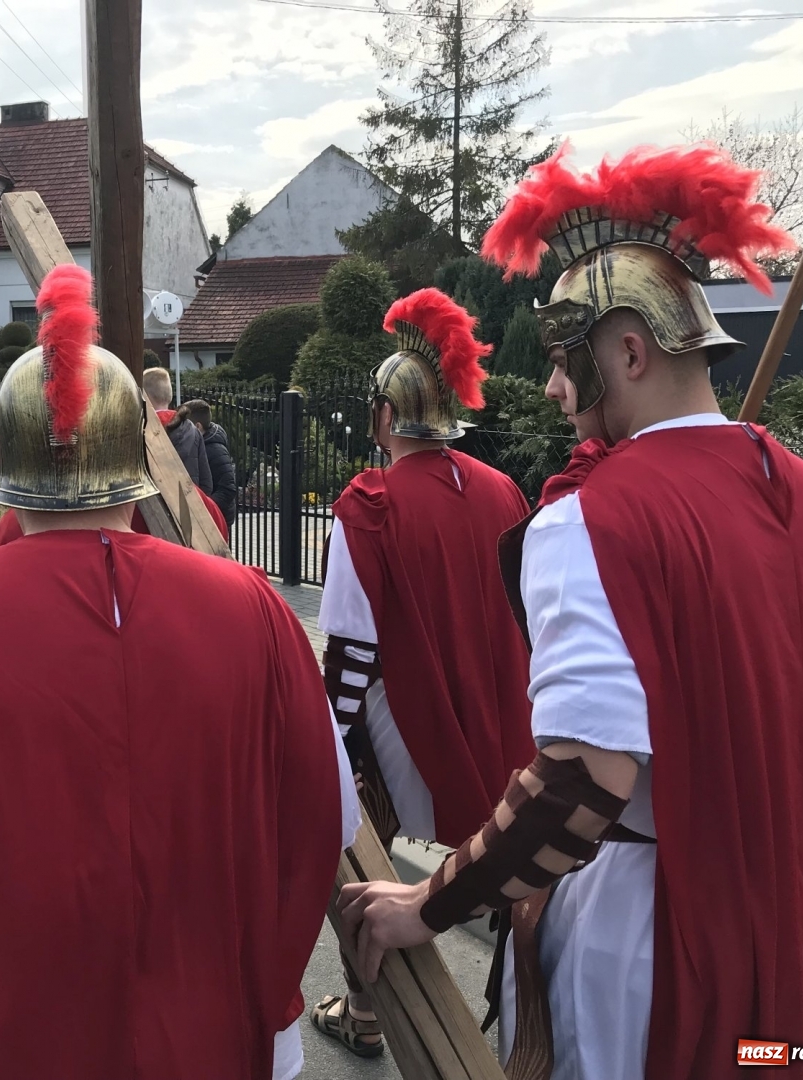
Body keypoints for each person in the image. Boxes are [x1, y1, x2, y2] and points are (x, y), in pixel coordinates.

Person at [339, 144, 803, 1080]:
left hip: (651, 942)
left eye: (562, 360)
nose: (551, 388)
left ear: (627, 351)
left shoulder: (593, 517)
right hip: (801, 928)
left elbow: (583, 783)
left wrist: (426, 906)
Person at [0, 264, 352, 1080]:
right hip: (211, 1029)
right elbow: (329, 816)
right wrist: (265, 980)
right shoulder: (256, 611)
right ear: (143, 449)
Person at [311, 287, 536, 1059]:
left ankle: (372, 1013)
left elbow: (350, 654)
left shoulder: (368, 503)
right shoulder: (503, 487)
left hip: (411, 715)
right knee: (508, 863)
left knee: (371, 857)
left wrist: (329, 753)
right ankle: (522, 1004)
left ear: (382, 417)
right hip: (503, 704)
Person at [142, 366, 212, 494]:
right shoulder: (193, 431)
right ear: (170, 394)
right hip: (189, 506)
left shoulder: (141, 430)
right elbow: (206, 484)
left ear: (144, 396)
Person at [184, 398, 237, 531]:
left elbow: (228, 488)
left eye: (185, 423)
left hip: (216, 520)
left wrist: (204, 508)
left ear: (197, 426)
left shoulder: (215, 449)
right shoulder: (201, 444)